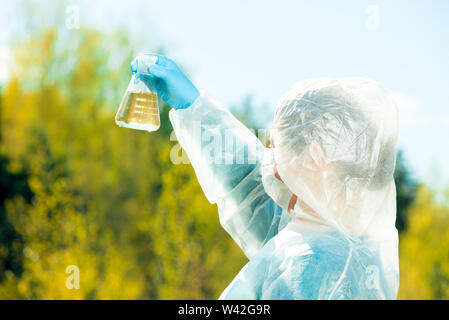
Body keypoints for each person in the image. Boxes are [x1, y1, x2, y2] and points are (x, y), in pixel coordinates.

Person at [141, 54, 400, 299]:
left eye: (277, 148)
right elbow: (248, 187)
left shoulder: (312, 263)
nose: (273, 167)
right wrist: (194, 108)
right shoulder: (335, 241)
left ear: (314, 158)